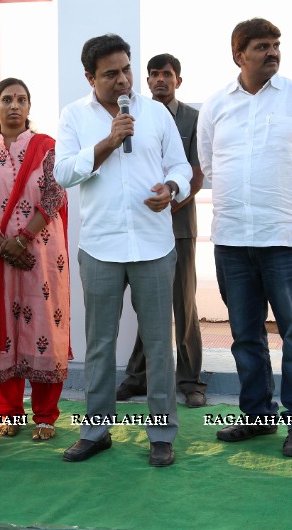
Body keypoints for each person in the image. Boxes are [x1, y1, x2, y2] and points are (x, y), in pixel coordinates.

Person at [55, 34, 192, 467]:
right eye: (111, 73)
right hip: (100, 245)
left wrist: (171, 188)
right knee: (99, 343)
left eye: (126, 69)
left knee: (157, 343)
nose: (123, 81)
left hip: (154, 243)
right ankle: (96, 431)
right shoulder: (75, 116)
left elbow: (181, 165)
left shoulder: (154, 113)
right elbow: (62, 173)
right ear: (90, 77)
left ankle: (162, 434)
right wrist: (107, 143)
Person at [198, 18, 292, 458]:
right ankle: (257, 416)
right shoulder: (217, 106)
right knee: (244, 335)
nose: (272, 52)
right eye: (261, 46)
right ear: (239, 54)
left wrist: (282, 197)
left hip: (286, 238)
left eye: (276, 44)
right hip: (233, 240)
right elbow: (210, 166)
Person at [0, 77, 70, 441]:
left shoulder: (47, 148)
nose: (14, 106)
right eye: (7, 99)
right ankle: (9, 413)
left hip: (42, 255)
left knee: (44, 325)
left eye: (21, 100)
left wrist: (23, 238)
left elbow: (53, 197)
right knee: (0, 329)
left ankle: (45, 416)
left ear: (29, 108)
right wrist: (3, 245)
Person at [116, 54, 206, 408]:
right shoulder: (134, 115)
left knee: (183, 304)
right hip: (140, 228)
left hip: (179, 226)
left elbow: (196, 175)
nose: (159, 80)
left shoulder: (192, 119)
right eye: (153, 74)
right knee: (148, 307)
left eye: (166, 74)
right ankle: (138, 378)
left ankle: (191, 381)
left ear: (178, 80)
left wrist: (169, 202)